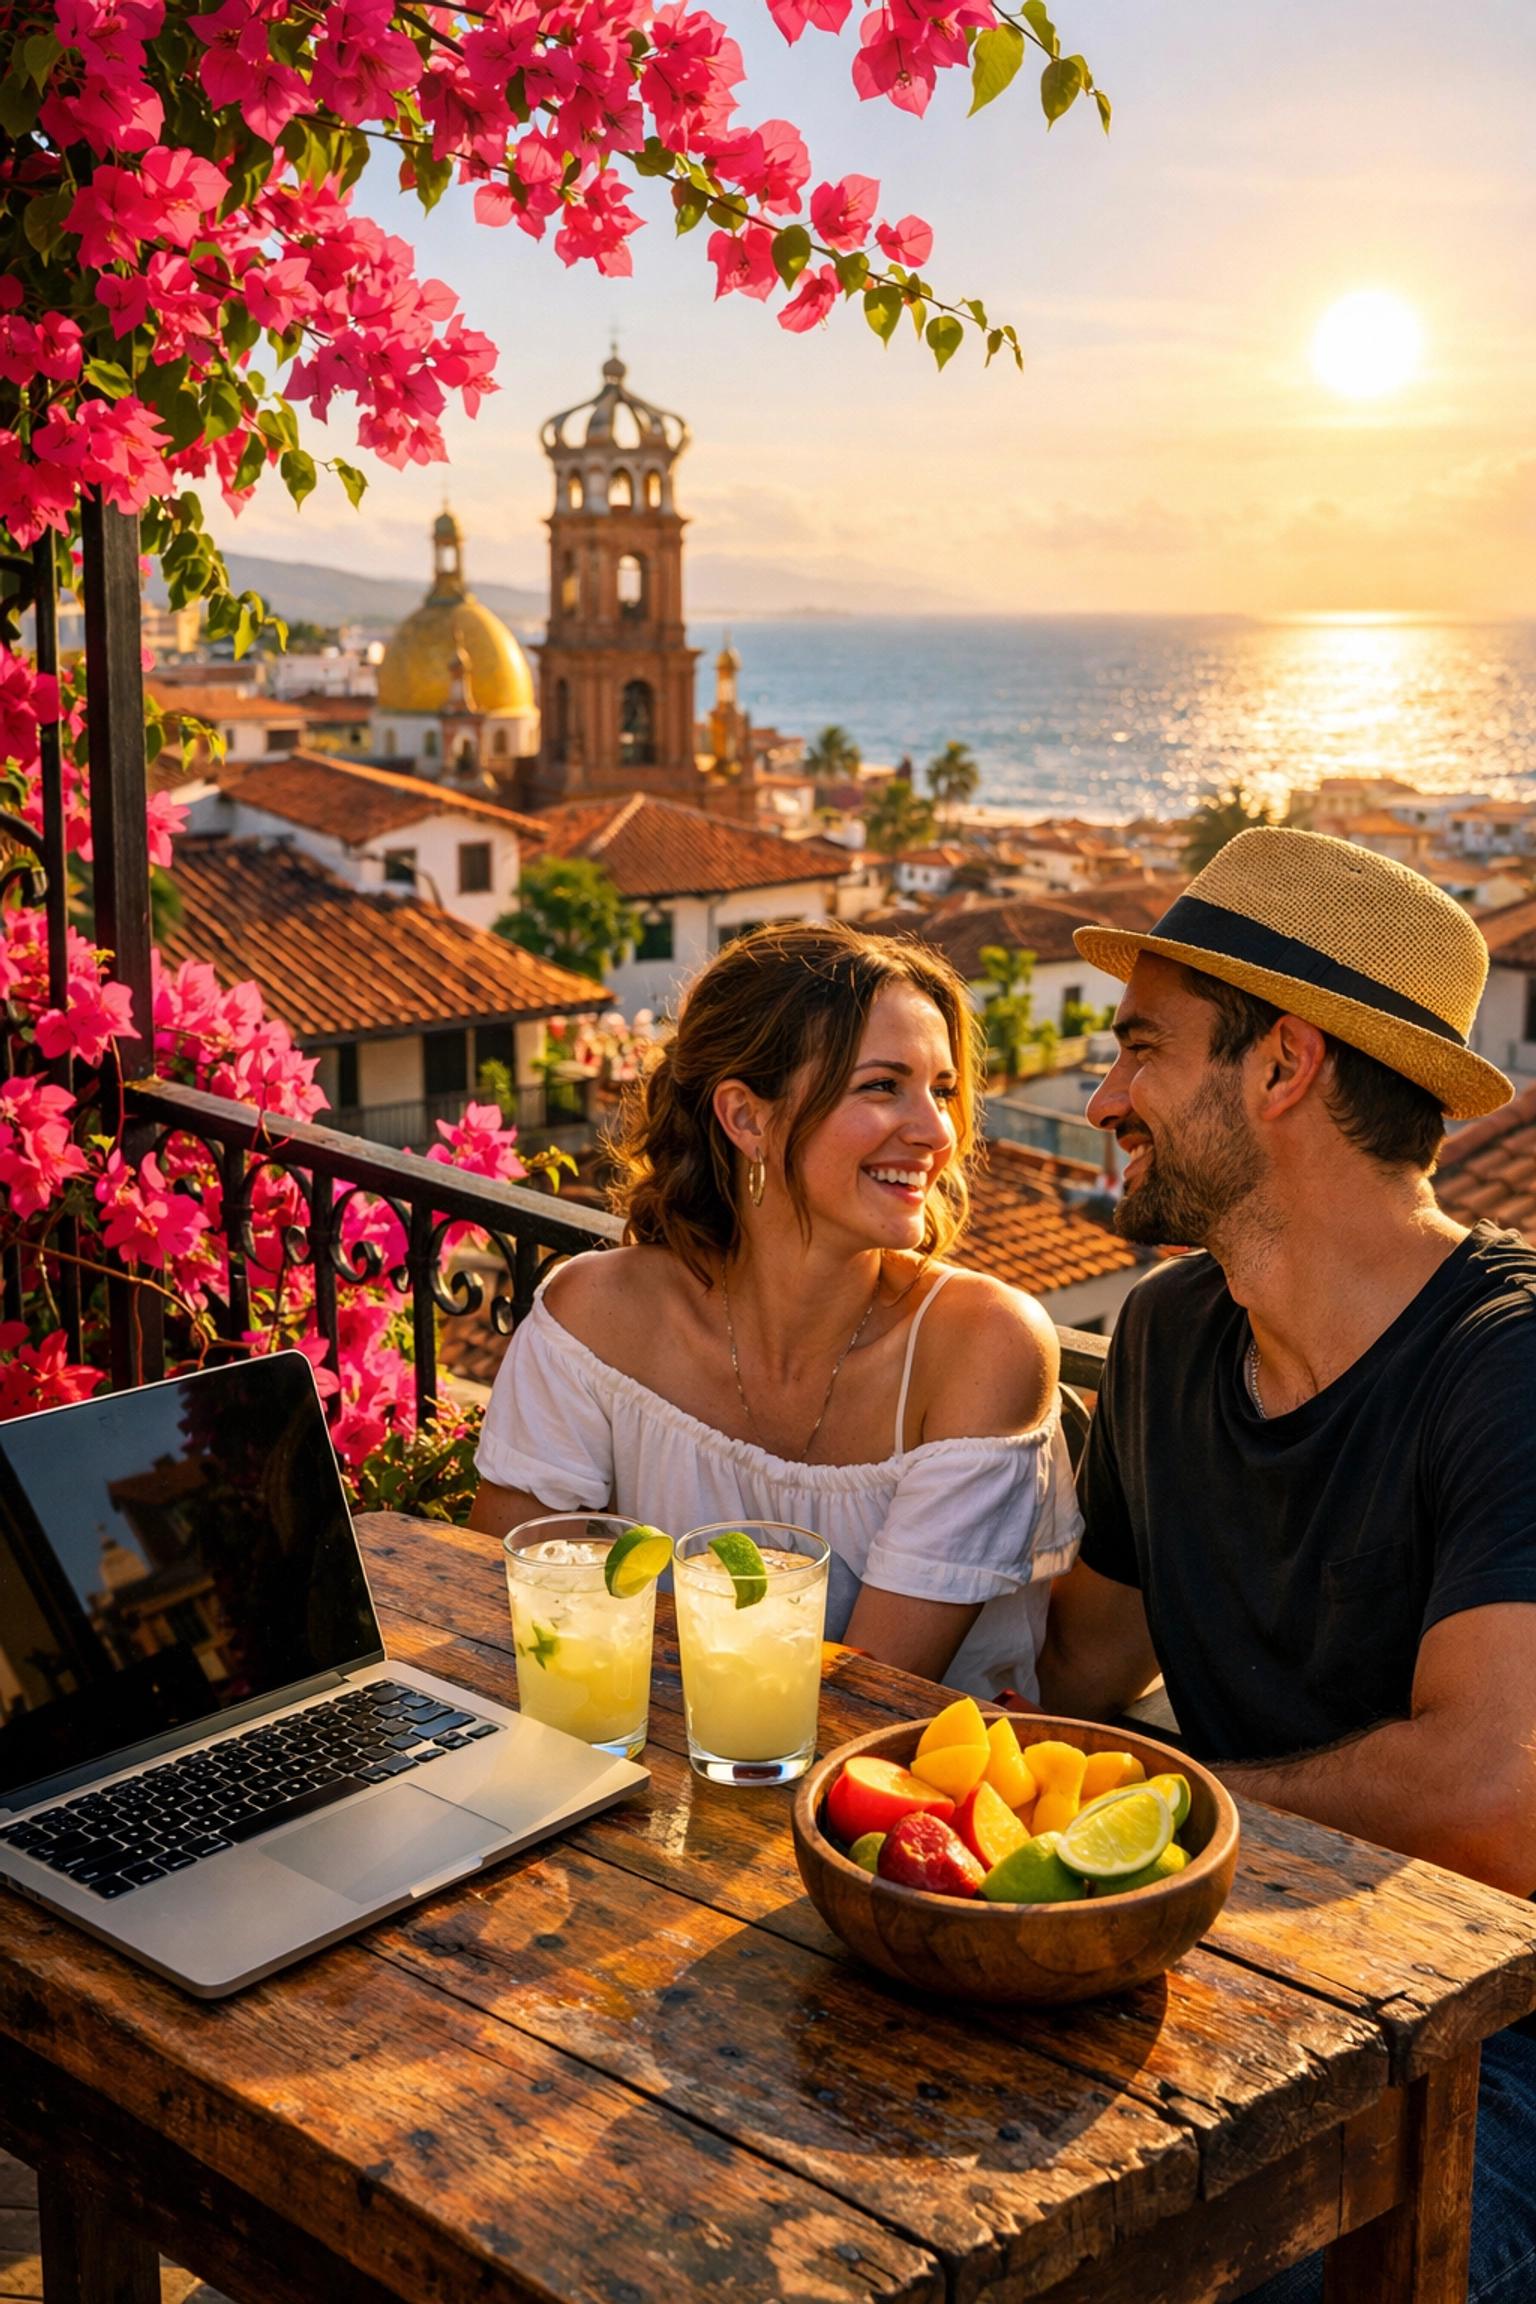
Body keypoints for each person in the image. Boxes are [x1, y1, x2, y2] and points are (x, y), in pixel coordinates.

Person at [1037, 825, 1536, 2304]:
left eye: (1142, 1049)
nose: (1106, 1095)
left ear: (1281, 1069)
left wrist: (1173, 1814)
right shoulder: (1165, 1335)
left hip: (1502, 2051)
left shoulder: (1505, 1364)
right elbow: (1074, 1671)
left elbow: (1498, 1802)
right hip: (1275, 1994)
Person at [468, 920, 1080, 1699]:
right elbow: (506, 1613)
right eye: (883, 1085)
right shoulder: (594, 1319)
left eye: (945, 1090)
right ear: (747, 1118)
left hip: (880, 1800)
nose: (937, 1132)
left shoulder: (983, 1346)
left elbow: (858, 1703)